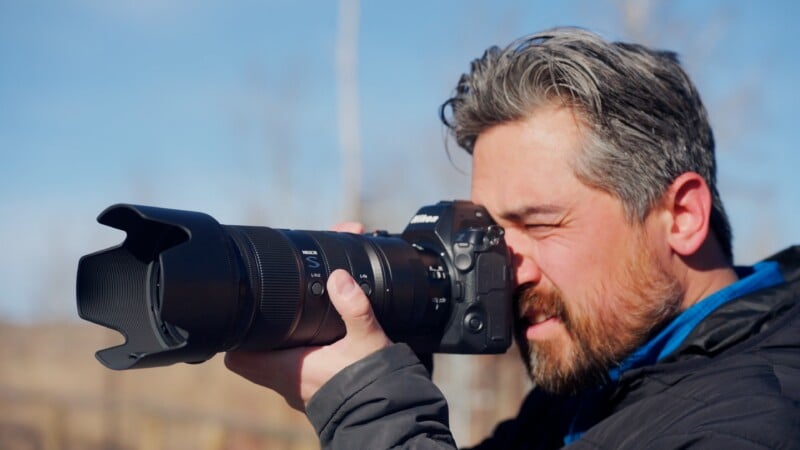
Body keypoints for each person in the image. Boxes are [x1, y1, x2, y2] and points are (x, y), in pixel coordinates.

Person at [225, 27, 800, 449]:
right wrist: (400, 374)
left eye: (542, 223)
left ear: (682, 215)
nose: (508, 267)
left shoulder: (758, 419)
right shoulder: (597, 385)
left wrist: (369, 410)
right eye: (493, 232)